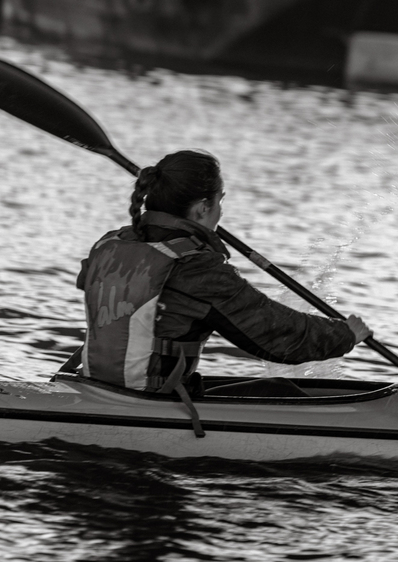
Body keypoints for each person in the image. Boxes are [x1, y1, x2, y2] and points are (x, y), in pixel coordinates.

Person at [75, 149, 372, 396]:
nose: (220, 212)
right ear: (203, 208)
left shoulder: (109, 244)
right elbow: (274, 334)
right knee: (281, 391)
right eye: (220, 201)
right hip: (151, 401)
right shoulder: (195, 267)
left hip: (95, 387)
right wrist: (345, 334)